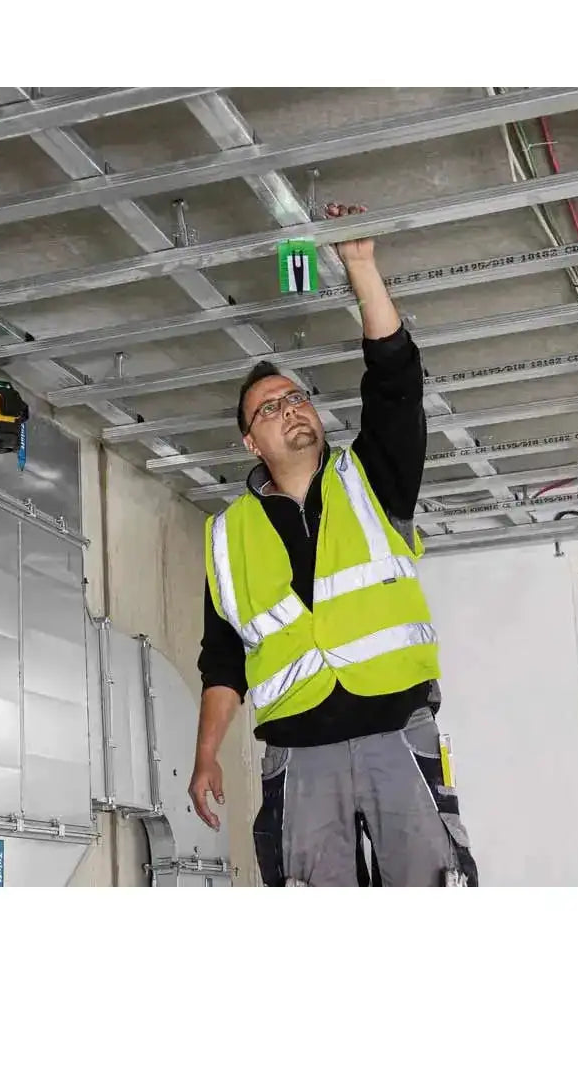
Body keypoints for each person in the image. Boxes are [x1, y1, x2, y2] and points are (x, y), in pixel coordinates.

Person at [188, 202, 477, 887]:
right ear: (251, 442)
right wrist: (205, 755)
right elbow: (223, 660)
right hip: (299, 753)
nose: (289, 408)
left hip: (395, 733)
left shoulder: (373, 478)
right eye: (269, 407)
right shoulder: (226, 536)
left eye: (296, 397)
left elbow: (395, 384)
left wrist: (360, 267)